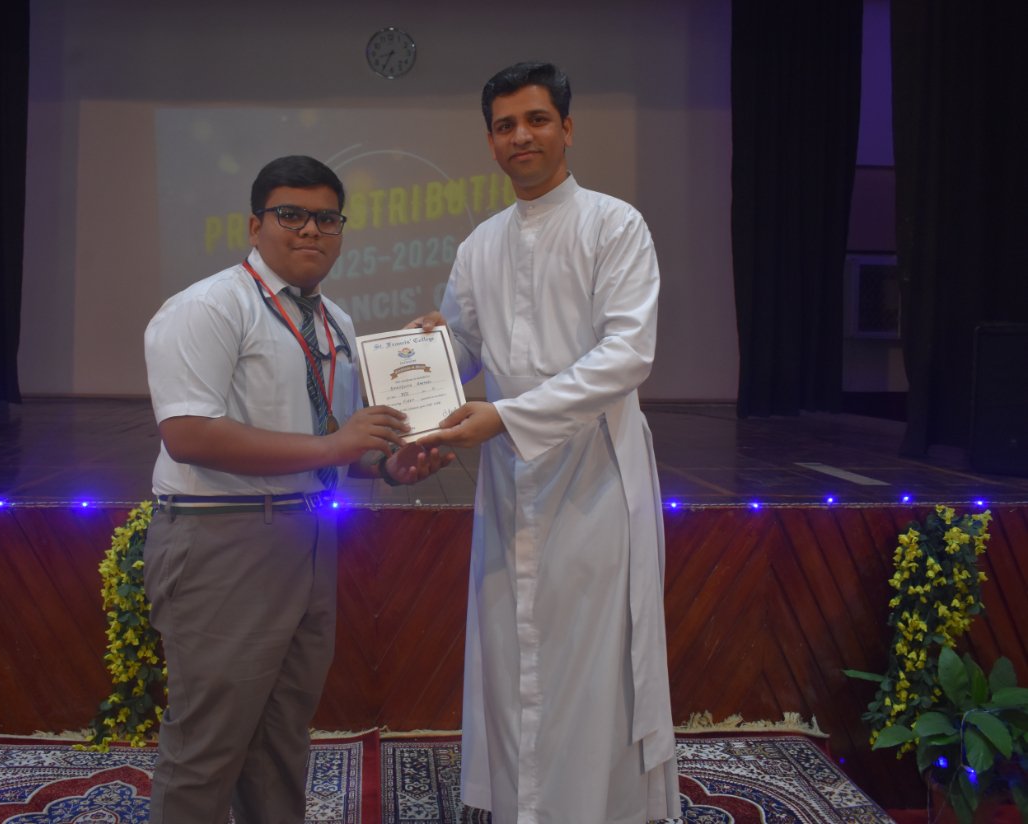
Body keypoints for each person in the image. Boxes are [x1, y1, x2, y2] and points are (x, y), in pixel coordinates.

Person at [143, 154, 451, 824]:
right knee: (206, 748)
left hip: (308, 536)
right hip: (223, 541)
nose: (311, 230)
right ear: (255, 226)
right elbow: (188, 434)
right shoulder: (209, 306)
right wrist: (335, 447)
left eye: (327, 219)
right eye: (291, 215)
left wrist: (387, 466)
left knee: (281, 740)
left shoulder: (334, 321)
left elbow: (331, 443)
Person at [414, 63, 681, 822]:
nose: (520, 136)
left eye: (535, 120)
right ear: (491, 142)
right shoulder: (480, 245)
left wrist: (507, 416)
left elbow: (627, 355)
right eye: (505, 126)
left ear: (566, 127)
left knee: (592, 661)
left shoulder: (613, 225)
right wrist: (427, 352)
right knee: (513, 649)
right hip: (510, 479)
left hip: (596, 477)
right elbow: (465, 348)